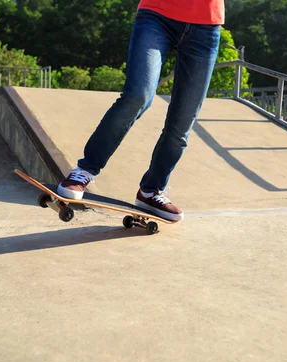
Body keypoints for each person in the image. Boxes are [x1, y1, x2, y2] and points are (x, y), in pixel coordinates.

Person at [56, 0, 224, 221]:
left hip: (206, 26)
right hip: (158, 14)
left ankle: (151, 191)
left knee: (183, 120)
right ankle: (85, 170)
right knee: (138, 96)